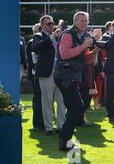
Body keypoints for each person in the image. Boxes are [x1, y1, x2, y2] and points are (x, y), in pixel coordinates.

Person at [53, 12, 94, 151]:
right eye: (81, 21)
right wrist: (83, 46)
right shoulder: (68, 34)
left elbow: (85, 59)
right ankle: (64, 140)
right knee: (77, 108)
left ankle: (65, 141)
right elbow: (64, 55)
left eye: (86, 21)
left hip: (71, 76)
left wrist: (95, 52)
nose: (84, 23)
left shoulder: (81, 36)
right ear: (75, 21)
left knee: (74, 109)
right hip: (65, 77)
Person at [32, 15, 66, 135]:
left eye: (52, 23)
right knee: (46, 101)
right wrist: (52, 37)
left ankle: (61, 125)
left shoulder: (60, 36)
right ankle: (48, 127)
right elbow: (36, 47)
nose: (52, 25)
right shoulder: (38, 36)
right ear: (42, 26)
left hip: (60, 74)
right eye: (48, 24)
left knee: (62, 101)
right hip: (46, 74)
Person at [27, 23, 44, 131]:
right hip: (36, 74)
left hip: (41, 73)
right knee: (38, 99)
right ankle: (38, 123)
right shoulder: (32, 42)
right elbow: (31, 59)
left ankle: (42, 123)